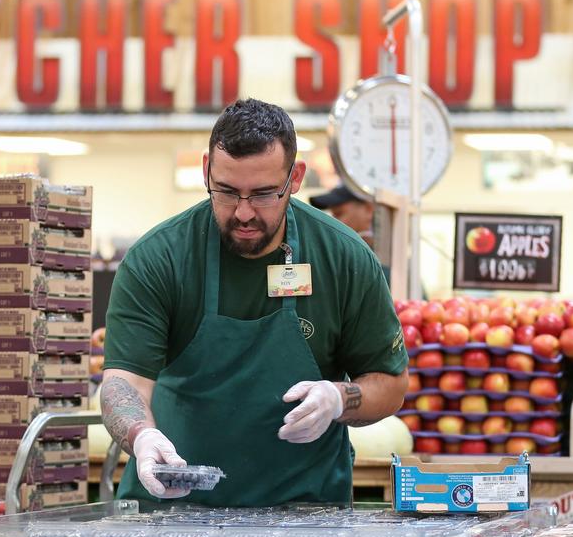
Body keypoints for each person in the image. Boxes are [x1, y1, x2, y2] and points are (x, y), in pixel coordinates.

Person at [101, 99, 409, 507]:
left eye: (264, 194)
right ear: (207, 169)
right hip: (173, 512)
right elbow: (123, 382)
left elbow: (391, 384)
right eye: (226, 192)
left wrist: (338, 399)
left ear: (295, 177)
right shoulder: (160, 258)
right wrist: (142, 436)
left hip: (307, 517)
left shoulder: (344, 257)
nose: (243, 213)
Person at [311, 184, 375, 247]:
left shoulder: (380, 249)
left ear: (368, 209)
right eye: (332, 215)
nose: (333, 221)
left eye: (338, 213)